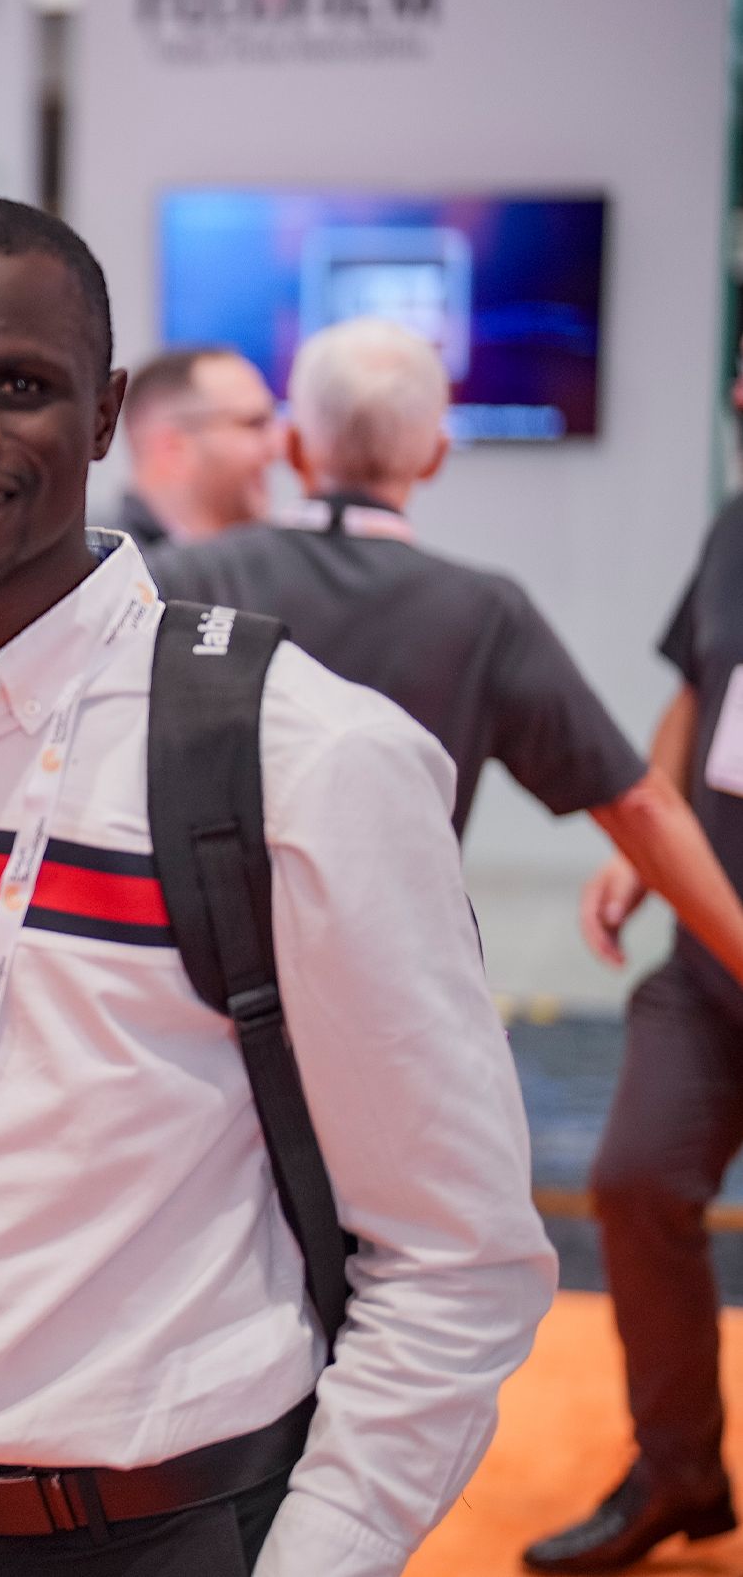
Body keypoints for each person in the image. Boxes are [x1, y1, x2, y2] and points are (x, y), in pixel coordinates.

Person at [0, 196, 554, 1576]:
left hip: (175, 1525)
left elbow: (454, 1255)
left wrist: (318, 1553)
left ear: (101, 416)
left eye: (18, 385)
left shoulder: (296, 752)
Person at [156, 319, 743, 968]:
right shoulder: (485, 613)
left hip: (197, 976)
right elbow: (635, 804)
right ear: (435, 455)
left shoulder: (181, 580)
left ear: (292, 447)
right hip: (388, 985)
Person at [528, 336, 743, 1574]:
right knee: (635, 1177)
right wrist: (642, 837)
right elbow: (692, 692)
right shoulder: (731, 531)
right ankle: (679, 1472)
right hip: (708, 960)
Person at [107, 344, 281, 553]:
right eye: (254, 424)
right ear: (172, 448)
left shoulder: (267, 563)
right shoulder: (108, 574)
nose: (277, 446)